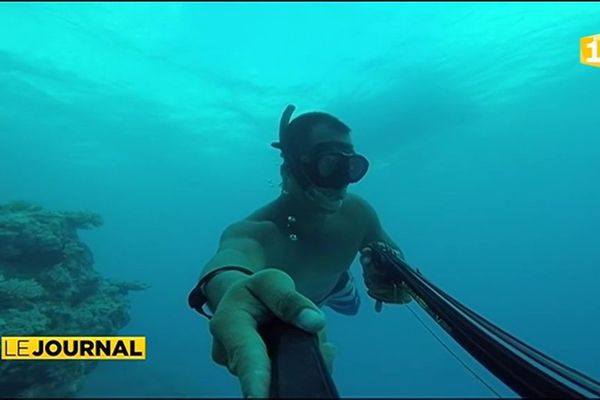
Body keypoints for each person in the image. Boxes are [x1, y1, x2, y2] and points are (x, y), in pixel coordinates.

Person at [188, 104, 413, 398]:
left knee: (351, 304)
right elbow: (231, 261)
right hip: (298, 305)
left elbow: (389, 250)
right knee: (324, 311)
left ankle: (343, 284)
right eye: (329, 164)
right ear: (289, 170)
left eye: (352, 166)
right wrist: (229, 291)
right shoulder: (256, 231)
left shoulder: (357, 213)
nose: (341, 180)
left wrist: (390, 275)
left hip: (337, 287)